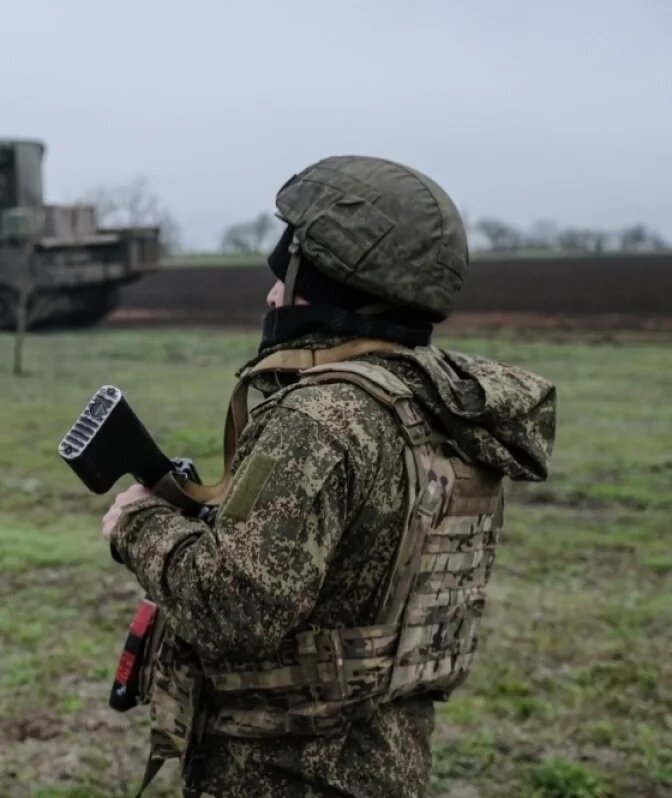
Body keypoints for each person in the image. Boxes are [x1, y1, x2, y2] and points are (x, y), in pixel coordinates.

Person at [100, 155, 557, 798]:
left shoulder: (322, 418)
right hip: (385, 763)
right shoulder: (443, 407)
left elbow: (234, 610)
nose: (272, 295)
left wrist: (139, 523)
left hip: (282, 772)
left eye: (285, 274)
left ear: (330, 280)